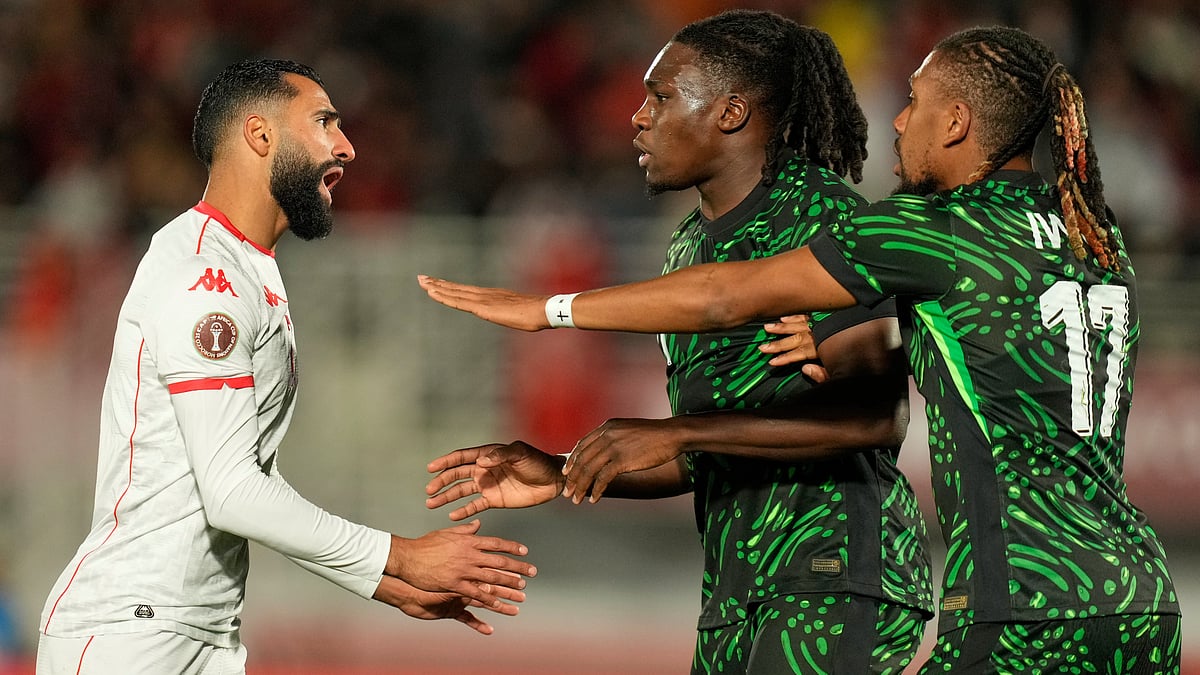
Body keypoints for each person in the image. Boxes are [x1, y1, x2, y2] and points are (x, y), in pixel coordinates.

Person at [419, 25, 1183, 673]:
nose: (894, 121)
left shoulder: (906, 229)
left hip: (984, 591)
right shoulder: (1095, 234)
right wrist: (566, 469)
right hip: (1135, 589)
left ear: (956, 123)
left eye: (913, 103)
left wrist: (550, 310)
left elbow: (752, 315)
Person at [426, 11, 933, 674]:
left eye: (661, 97)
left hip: (834, 570)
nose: (638, 116)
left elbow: (870, 415)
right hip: (736, 586)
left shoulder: (821, 214)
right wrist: (560, 470)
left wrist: (680, 432)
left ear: (729, 113)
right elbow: (705, 453)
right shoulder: (686, 246)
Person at [36, 59, 537, 675]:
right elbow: (231, 491)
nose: (347, 148)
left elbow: (239, 483)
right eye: (325, 121)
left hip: (192, 631)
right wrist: (397, 558)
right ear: (260, 135)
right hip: (133, 635)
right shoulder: (206, 281)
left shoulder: (245, 268)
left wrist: (381, 582)